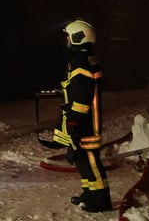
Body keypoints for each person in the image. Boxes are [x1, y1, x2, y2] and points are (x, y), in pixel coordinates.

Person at [50, 19, 112, 213]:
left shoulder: (80, 61)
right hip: (86, 118)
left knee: (90, 159)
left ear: (77, 37)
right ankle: (89, 192)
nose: (66, 40)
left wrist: (74, 118)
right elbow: (79, 86)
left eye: (69, 37)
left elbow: (82, 94)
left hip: (85, 121)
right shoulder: (87, 58)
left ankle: (100, 199)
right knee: (82, 158)